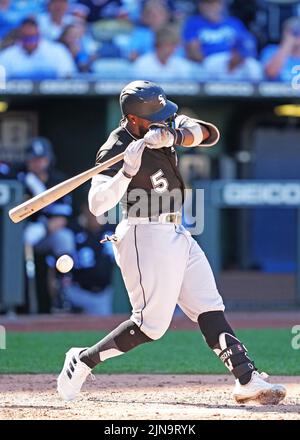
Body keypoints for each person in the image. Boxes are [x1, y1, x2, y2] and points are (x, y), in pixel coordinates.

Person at [57, 80, 286, 405]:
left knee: (209, 305)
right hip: (143, 233)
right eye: (156, 118)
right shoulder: (116, 147)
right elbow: (97, 205)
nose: (164, 119)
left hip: (177, 230)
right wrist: (126, 171)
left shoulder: (164, 124)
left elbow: (208, 134)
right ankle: (82, 360)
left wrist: (174, 135)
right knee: (150, 326)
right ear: (134, 119)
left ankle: (247, 379)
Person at [64, 203, 115, 315]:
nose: (95, 216)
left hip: (102, 294)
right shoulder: (73, 231)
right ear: (84, 211)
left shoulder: (111, 231)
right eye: (92, 212)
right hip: (77, 291)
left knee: (101, 328)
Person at [0, 17, 76, 79]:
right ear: (20, 37)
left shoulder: (58, 51)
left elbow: (68, 79)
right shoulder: (8, 55)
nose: (30, 42)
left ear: (39, 35)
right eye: (26, 38)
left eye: (33, 38)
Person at [132, 26, 197, 81]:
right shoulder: (142, 63)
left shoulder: (181, 64)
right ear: (158, 45)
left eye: (173, 45)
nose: (172, 49)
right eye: (167, 45)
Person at [261, 17, 300, 82]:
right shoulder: (271, 50)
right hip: (277, 91)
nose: (297, 35)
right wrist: (288, 43)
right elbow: (271, 73)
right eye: (294, 32)